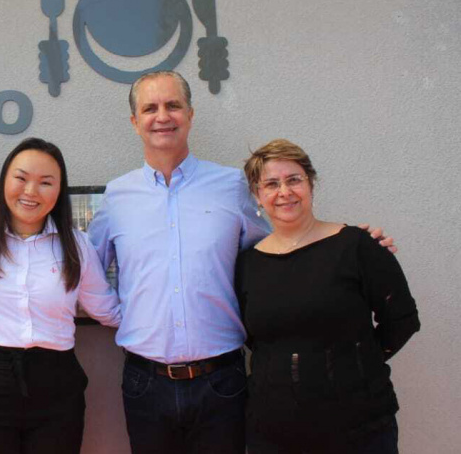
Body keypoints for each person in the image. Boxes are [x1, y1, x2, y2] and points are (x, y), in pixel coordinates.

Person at [87, 70, 395, 454]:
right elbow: (85, 270)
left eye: (173, 105)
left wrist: (348, 246)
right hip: (145, 381)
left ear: (190, 114)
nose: (162, 116)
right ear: (135, 122)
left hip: (222, 381)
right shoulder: (117, 196)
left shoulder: (230, 186)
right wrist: (122, 316)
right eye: (150, 108)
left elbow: (280, 250)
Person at [0, 138, 120, 454]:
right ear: (4, 180)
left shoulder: (78, 245)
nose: (31, 191)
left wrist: (163, 322)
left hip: (57, 384)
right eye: (21, 178)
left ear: (59, 190)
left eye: (45, 182)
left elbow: (107, 309)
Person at [235, 139, 419, 453]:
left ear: (311, 183)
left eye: (294, 180)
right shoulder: (247, 264)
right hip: (273, 432)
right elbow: (256, 339)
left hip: (359, 428)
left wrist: (357, 363)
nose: (284, 192)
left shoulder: (356, 246)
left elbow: (402, 319)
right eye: (271, 184)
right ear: (257, 195)